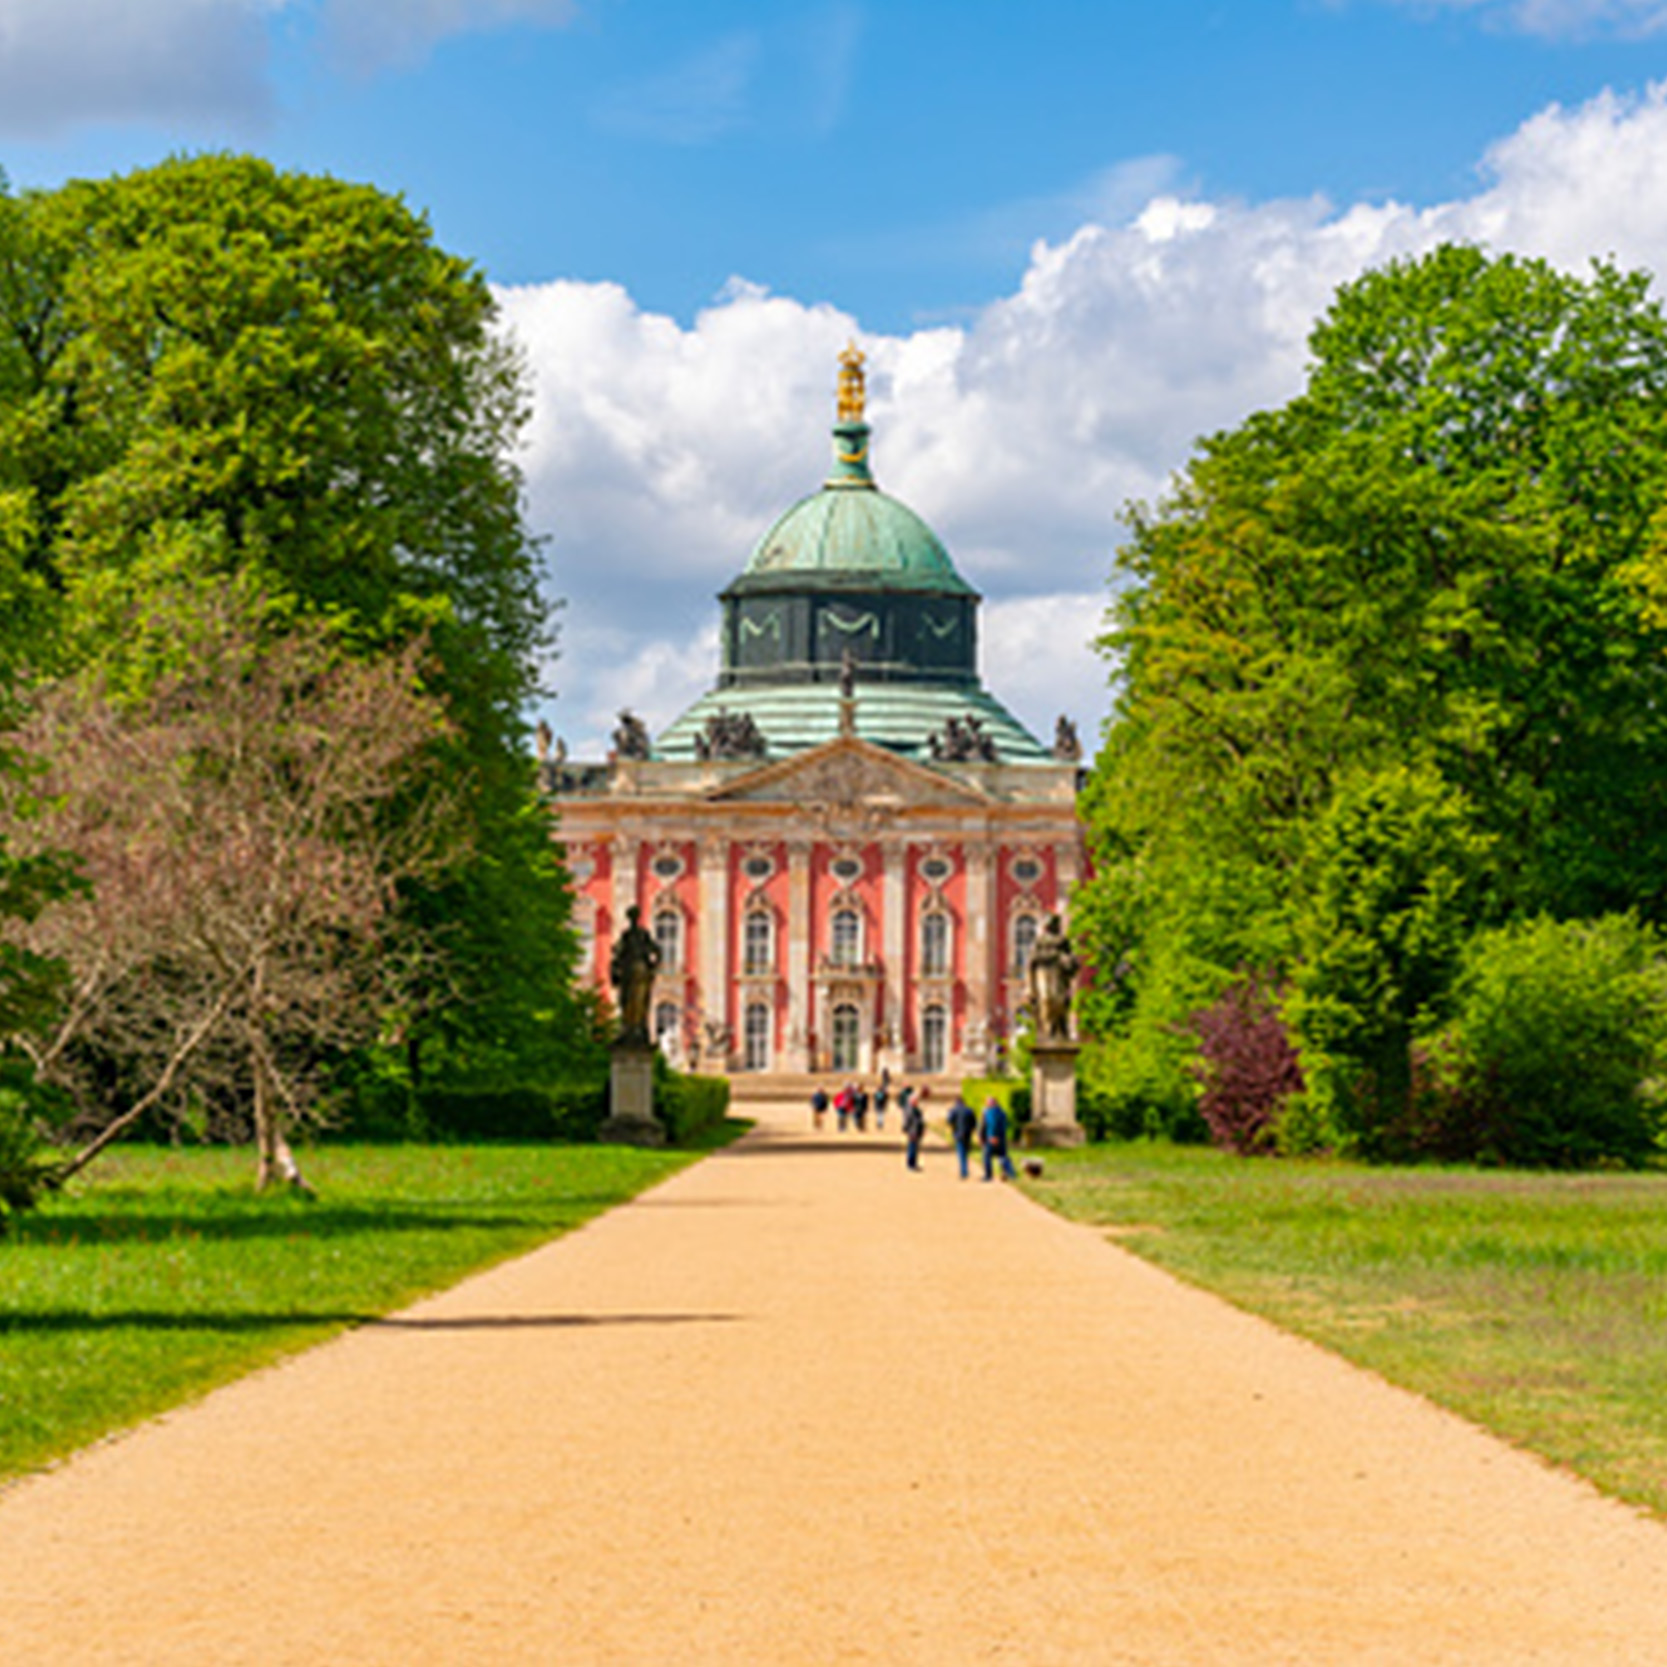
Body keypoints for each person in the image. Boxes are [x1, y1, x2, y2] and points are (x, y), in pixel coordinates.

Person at [608, 905, 661, 1045]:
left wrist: (653, 966)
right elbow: (657, 951)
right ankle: (632, 1028)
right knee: (632, 1000)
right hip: (635, 971)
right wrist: (654, 966)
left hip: (635, 971)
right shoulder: (632, 935)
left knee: (634, 1000)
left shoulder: (635, 935)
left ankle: (633, 1029)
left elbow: (616, 955)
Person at [980, 1095, 1017, 1182]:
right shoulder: (1002, 1112)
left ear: (992, 1103)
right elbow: (1006, 1124)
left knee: (987, 1156)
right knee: (1002, 1156)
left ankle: (988, 1176)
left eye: (988, 1102)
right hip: (1002, 1138)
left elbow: (992, 1124)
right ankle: (1011, 1173)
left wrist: (992, 1136)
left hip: (992, 1138)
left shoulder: (990, 1112)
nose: (986, 1104)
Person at [945, 1093, 977, 1180]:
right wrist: (971, 1130)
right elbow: (974, 1122)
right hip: (967, 1134)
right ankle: (965, 1169)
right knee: (965, 1152)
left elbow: (949, 1121)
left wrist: (953, 1126)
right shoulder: (969, 1110)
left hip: (958, 1133)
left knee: (961, 1153)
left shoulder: (953, 1110)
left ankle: (964, 1171)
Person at [901, 1087, 925, 1171]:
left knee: (915, 1148)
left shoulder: (916, 1109)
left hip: (917, 1131)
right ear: (911, 1100)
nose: (917, 1101)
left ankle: (913, 1163)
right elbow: (907, 1120)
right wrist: (906, 1129)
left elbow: (920, 1120)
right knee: (912, 1147)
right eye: (916, 1100)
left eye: (917, 1100)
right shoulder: (909, 1109)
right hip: (912, 1131)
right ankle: (910, 1164)